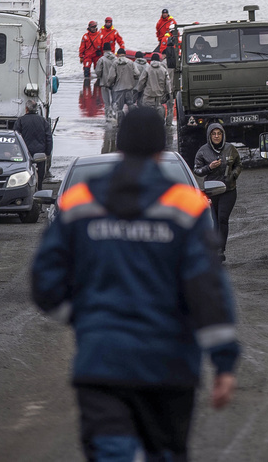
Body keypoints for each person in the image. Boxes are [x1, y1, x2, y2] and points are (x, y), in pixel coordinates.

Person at [31, 107, 239, 461]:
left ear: (120, 146)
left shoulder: (81, 202)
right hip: (169, 366)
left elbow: (44, 280)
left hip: (101, 364)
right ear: (161, 149)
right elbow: (207, 289)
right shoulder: (186, 207)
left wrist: (85, 315)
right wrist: (224, 362)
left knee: (110, 451)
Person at [192, 123, 242, 261]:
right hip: (212, 191)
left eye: (219, 134)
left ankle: (221, 249)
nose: (216, 136)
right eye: (213, 134)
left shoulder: (230, 149)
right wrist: (209, 167)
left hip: (228, 190)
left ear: (223, 135)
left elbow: (238, 164)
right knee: (213, 221)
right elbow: (197, 170)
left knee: (222, 219)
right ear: (209, 136)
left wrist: (233, 175)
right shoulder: (203, 151)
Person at [13, 99, 53, 188]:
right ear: (36, 110)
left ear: (26, 109)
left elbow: (16, 138)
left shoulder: (20, 121)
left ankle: (26, 188)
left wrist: (15, 152)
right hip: (40, 152)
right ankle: (39, 189)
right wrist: (48, 152)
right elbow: (49, 138)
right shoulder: (43, 121)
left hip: (25, 152)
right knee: (40, 174)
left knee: (25, 172)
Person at [137, 52, 172, 121]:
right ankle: (159, 126)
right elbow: (168, 83)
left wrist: (139, 90)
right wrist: (169, 92)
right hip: (159, 96)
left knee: (147, 113)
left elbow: (142, 81)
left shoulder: (147, 69)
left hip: (148, 95)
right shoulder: (163, 70)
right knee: (159, 110)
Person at [112, 48, 140, 115]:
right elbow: (137, 73)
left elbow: (111, 76)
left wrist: (110, 84)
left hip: (118, 88)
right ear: (125, 54)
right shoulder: (131, 62)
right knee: (130, 104)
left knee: (119, 108)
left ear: (118, 55)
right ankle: (132, 119)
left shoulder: (115, 63)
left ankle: (119, 122)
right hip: (129, 88)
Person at [94, 43, 117, 118]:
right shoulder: (115, 59)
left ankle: (107, 116)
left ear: (103, 50)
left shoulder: (102, 59)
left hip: (104, 82)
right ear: (111, 49)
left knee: (106, 102)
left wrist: (99, 77)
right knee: (114, 100)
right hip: (114, 82)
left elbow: (98, 71)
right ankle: (115, 114)